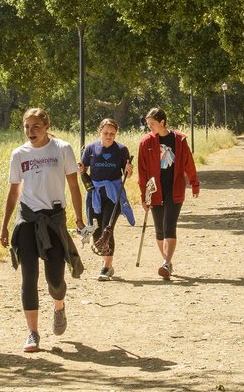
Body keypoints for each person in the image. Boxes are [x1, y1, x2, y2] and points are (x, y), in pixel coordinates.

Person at [0, 107, 85, 352]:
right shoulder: (18, 154)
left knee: (55, 279)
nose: (30, 131)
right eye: (27, 127)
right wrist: (5, 225)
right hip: (27, 219)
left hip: (53, 220)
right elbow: (14, 191)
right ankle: (33, 333)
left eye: (36, 126)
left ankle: (59, 306)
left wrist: (79, 219)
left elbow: (73, 185)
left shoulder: (62, 149)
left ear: (46, 126)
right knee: (29, 277)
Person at [136, 107, 199, 279]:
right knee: (159, 230)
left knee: (168, 225)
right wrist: (143, 196)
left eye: (152, 124)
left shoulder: (179, 139)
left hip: (174, 188)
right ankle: (167, 263)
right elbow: (141, 171)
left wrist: (194, 182)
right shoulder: (145, 142)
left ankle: (166, 262)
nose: (150, 127)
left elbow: (188, 162)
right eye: (148, 124)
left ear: (162, 122)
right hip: (154, 190)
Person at [81, 117, 135, 280]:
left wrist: (129, 170)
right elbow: (83, 168)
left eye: (112, 133)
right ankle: (109, 265)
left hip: (114, 194)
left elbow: (127, 174)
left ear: (116, 134)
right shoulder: (90, 149)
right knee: (96, 230)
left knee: (107, 229)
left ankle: (105, 267)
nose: (109, 136)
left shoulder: (121, 149)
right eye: (106, 133)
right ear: (100, 132)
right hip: (95, 194)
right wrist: (80, 169)